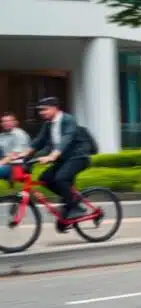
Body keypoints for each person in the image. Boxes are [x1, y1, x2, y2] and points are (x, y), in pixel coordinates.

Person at [15, 97, 92, 229]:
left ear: (55, 108)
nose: (42, 112)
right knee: (45, 179)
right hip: (63, 159)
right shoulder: (48, 124)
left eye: (45, 109)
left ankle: (75, 207)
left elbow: (66, 139)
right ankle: (71, 203)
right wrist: (24, 154)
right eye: (40, 110)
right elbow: (39, 141)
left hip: (78, 157)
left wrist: (53, 155)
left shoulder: (68, 120)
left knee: (61, 179)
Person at [0, 112, 31, 184]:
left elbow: (15, 155)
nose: (6, 123)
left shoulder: (20, 135)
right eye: (4, 121)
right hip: (5, 162)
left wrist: (0, 163)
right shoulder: (2, 135)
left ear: (15, 122)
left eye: (9, 121)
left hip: (16, 165)